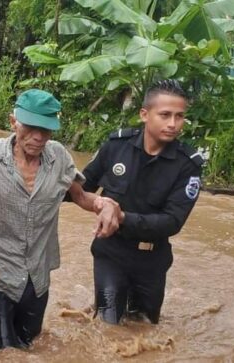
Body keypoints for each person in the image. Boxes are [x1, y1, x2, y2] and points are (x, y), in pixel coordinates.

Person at [0, 89, 121, 350]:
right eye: (31, 127)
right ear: (14, 121)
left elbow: (81, 197)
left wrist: (104, 204)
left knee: (29, 343)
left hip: (37, 277)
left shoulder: (59, 157)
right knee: (5, 352)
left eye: (46, 130)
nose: (38, 137)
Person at [81, 79, 204, 325]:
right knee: (109, 325)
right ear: (144, 114)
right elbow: (81, 188)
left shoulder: (188, 164)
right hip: (111, 252)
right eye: (165, 115)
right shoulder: (116, 147)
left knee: (145, 326)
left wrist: (122, 216)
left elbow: (172, 222)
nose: (173, 124)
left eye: (179, 117)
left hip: (152, 260)